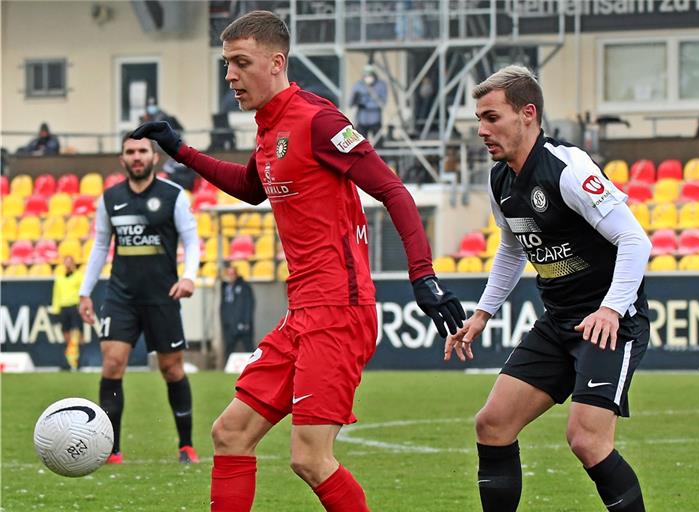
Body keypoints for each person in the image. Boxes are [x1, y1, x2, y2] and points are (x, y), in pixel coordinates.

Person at [131, 10, 464, 511]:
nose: (230, 76)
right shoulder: (269, 128)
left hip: (339, 311)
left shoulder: (320, 120)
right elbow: (249, 188)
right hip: (302, 313)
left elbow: (394, 191)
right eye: (226, 64)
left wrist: (424, 277)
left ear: (276, 62)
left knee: (310, 457)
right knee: (230, 432)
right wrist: (179, 149)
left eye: (241, 63)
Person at [444, 65, 651, 512]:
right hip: (559, 321)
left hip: (609, 325)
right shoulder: (500, 177)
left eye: (491, 117)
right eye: (479, 118)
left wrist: (612, 310)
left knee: (586, 440)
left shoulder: (567, 167)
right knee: (493, 424)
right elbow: (513, 248)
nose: (481, 130)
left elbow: (635, 240)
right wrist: (482, 313)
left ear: (527, 114)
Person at [78, 134, 201, 465]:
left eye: (142, 151)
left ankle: (186, 446)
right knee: (112, 364)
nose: (136, 156)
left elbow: (191, 241)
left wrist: (189, 276)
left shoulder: (173, 195)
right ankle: (111, 449)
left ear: (154, 157)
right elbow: (101, 246)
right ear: (122, 159)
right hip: (121, 296)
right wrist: (84, 292)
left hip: (162, 296)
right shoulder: (110, 198)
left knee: (172, 370)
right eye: (130, 152)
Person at [51, 255, 84, 371]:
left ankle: (78, 361)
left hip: (75, 307)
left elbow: (83, 292)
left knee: (77, 334)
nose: (68, 264)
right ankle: (67, 361)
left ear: (74, 263)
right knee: (66, 336)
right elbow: (56, 295)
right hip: (63, 308)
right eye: (66, 262)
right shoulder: (59, 278)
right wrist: (56, 310)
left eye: (70, 262)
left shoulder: (79, 276)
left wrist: (82, 306)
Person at [220, 263, 255, 359]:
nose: (230, 276)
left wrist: (246, 322)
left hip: (243, 323)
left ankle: (256, 366)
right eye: (228, 274)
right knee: (229, 348)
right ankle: (226, 368)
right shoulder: (225, 287)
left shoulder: (244, 287)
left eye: (232, 274)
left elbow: (249, 305)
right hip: (230, 324)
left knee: (249, 347)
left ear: (236, 274)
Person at [349, 65, 388, 140]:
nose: (368, 77)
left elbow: (382, 103)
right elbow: (350, 103)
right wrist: (356, 100)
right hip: (361, 120)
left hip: (375, 119)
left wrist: (366, 104)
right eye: (366, 75)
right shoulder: (358, 85)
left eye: (370, 75)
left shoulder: (381, 85)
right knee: (360, 144)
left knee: (378, 144)